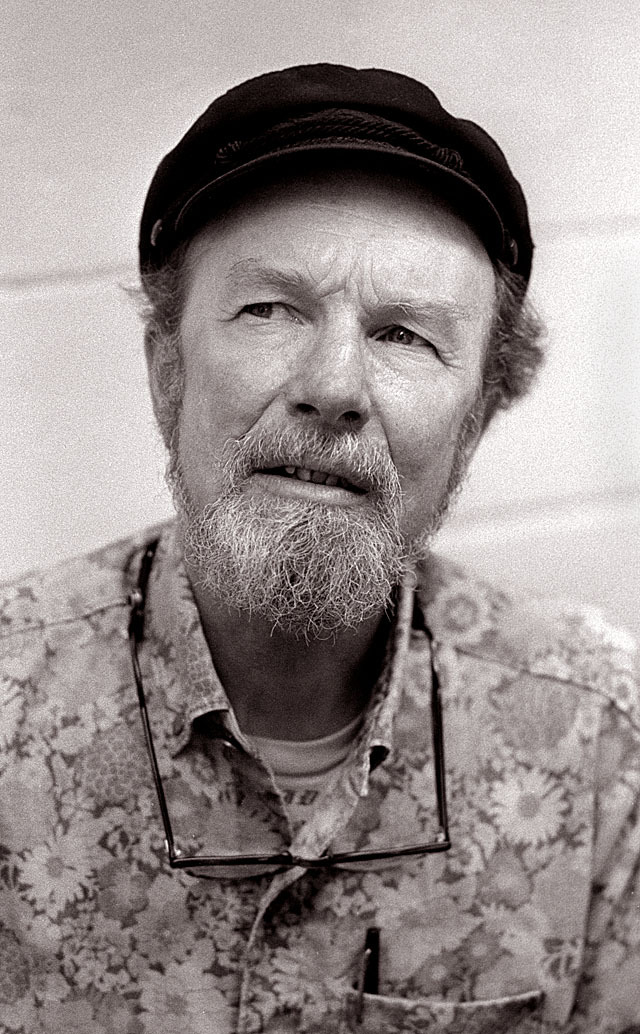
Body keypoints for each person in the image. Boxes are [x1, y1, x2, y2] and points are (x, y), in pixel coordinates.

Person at [0, 63, 638, 1034]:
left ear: (473, 423)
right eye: (270, 309)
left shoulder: (596, 730)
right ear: (167, 369)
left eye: (405, 335)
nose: (333, 385)